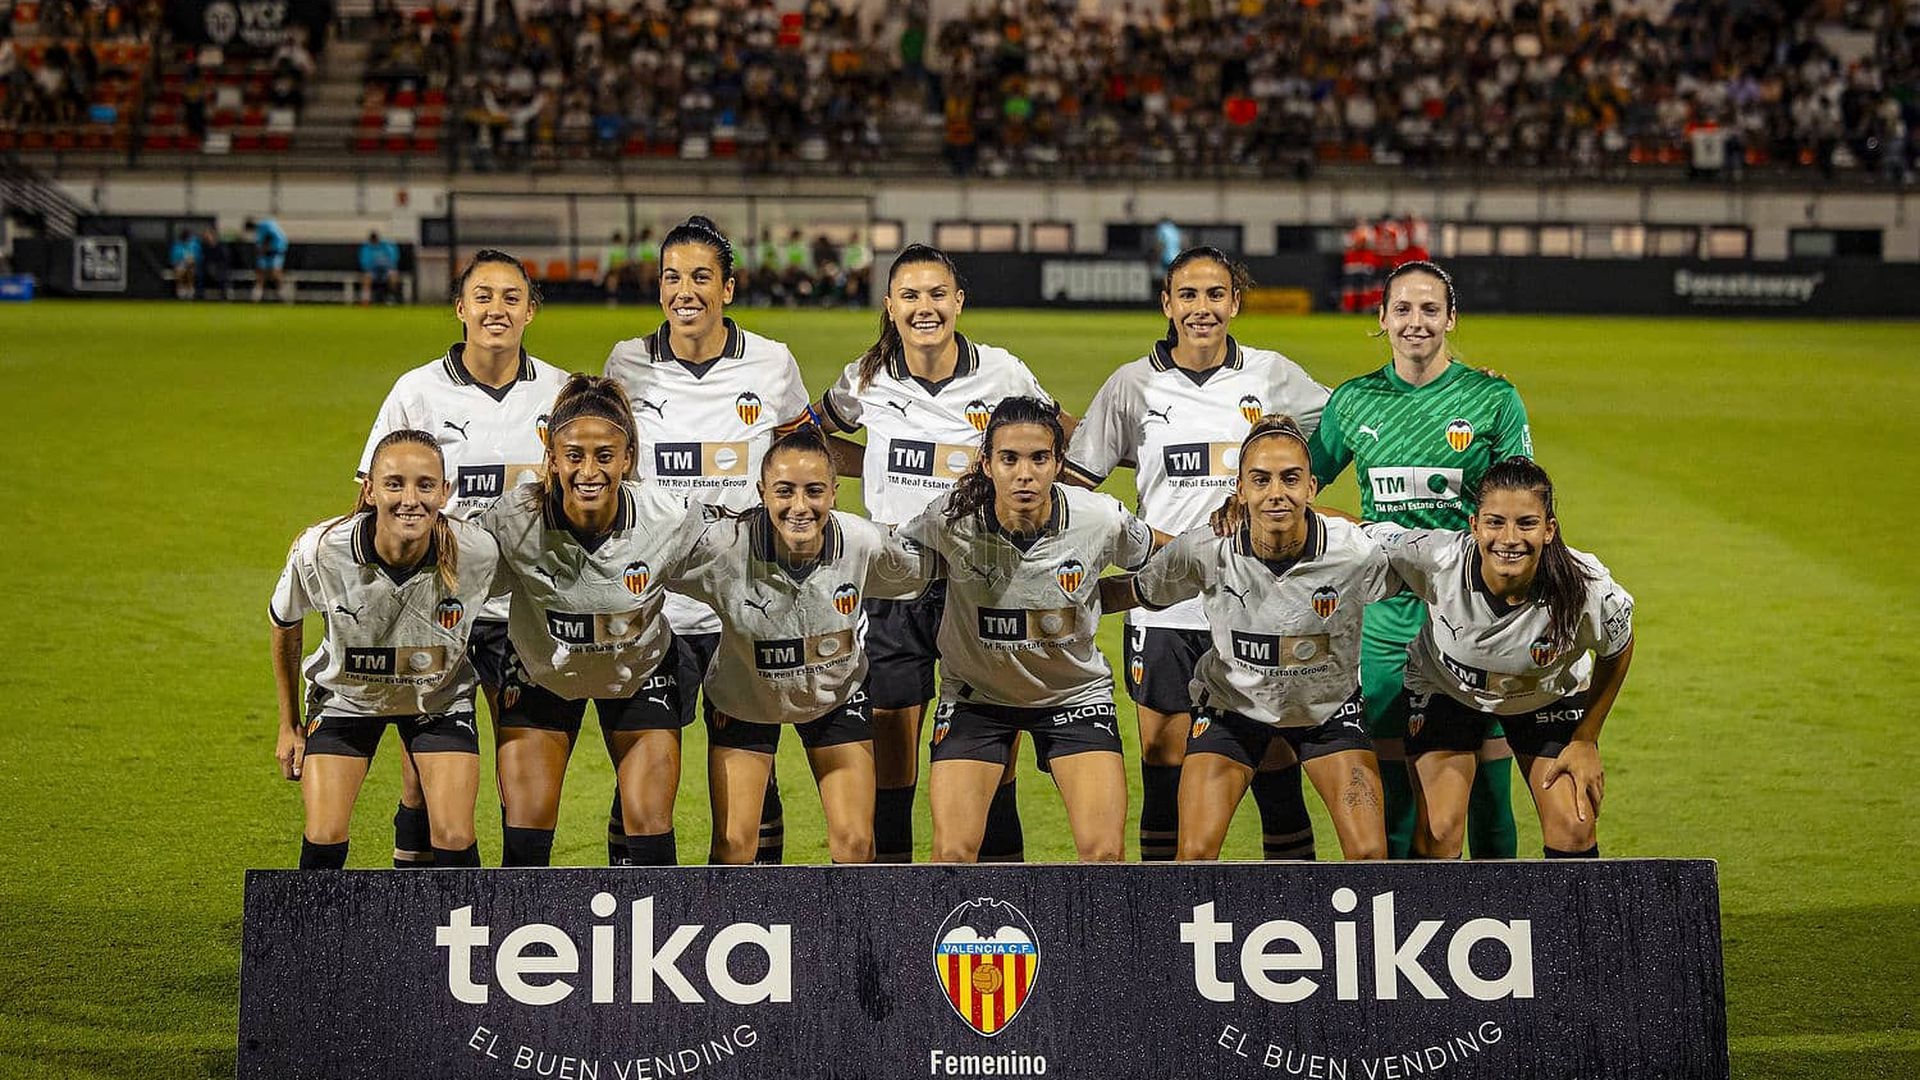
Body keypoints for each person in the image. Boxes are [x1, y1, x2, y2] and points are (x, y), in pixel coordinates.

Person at [1065, 247, 1329, 862]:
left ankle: (1293, 910)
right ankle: (1162, 918)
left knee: (1274, 754)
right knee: (1163, 758)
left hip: (1259, 604)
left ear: (1235, 303)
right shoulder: (1134, 384)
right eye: (1188, 295)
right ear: (1168, 304)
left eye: (1215, 295)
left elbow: (1344, 428)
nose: (1202, 308)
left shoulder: (1272, 376)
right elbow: (1078, 481)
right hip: (1165, 606)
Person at [808, 243, 1063, 864]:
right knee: (894, 758)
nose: (926, 308)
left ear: (958, 301)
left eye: (937, 294)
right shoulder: (864, 378)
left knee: (991, 762)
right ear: (891, 306)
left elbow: (1051, 441)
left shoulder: (1003, 372)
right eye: (911, 296)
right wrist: (863, 467)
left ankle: (1007, 904)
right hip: (894, 585)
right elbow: (810, 435)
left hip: (981, 583)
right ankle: (897, 910)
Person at [1307, 259, 1532, 859]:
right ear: (1381, 319)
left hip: (1470, 612)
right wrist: (1343, 526)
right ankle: (1399, 917)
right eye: (1402, 309)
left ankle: (1496, 912)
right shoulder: (1353, 401)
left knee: (1486, 773)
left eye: (1430, 309)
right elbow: (1303, 485)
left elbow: (1524, 496)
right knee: (1390, 767)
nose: (1416, 321)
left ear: (1451, 318)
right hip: (1383, 614)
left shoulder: (1492, 398)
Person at [604, 214, 810, 864]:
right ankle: (633, 919)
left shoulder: (773, 362)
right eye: (671, 277)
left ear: (728, 286)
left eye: (700, 277)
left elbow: (804, 456)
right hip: (649, 608)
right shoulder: (626, 363)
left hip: (741, 608)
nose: (684, 290)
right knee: (640, 785)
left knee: (751, 785)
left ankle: (757, 918)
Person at [359, 248, 564, 867]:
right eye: (483, 296)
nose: (496, 309)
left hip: (523, 612)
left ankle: (518, 926)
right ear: (460, 308)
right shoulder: (416, 391)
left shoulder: (559, 393)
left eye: (510, 297)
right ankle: (425, 922)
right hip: (434, 607)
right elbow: (373, 493)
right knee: (423, 779)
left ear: (531, 309)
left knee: (524, 783)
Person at [898, 397, 1165, 863]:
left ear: (1058, 463)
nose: (1025, 474)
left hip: (1074, 698)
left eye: (1039, 458)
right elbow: (893, 557)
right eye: (1009, 459)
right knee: (953, 855)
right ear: (986, 464)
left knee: (1104, 856)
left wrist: (1230, 546)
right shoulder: (950, 519)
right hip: (976, 700)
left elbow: (1160, 557)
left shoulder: (1098, 518)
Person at [1117, 415, 1391, 860]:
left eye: (1290, 479)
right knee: (1195, 856)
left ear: (1312, 488)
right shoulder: (1207, 548)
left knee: (1369, 857)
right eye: (1261, 481)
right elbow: (1134, 591)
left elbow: (1436, 569)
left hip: (1327, 710)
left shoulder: (1354, 549)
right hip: (1232, 710)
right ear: (1240, 490)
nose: (1276, 493)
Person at [664, 425, 929, 863]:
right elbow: (650, 560)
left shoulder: (862, 541)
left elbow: (933, 564)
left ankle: (852, 931)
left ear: (834, 492)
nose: (800, 507)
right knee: (733, 846)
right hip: (744, 698)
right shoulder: (724, 547)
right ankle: (738, 929)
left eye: (814, 491)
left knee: (856, 845)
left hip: (835, 695)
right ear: (761, 492)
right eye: (784, 491)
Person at [482, 374, 700, 867]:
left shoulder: (668, 517)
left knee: (648, 821)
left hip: (640, 672)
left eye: (605, 456)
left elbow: (735, 560)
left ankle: (651, 936)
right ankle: (526, 935)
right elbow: (454, 571)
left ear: (627, 458)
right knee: (527, 821)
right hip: (543, 674)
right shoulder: (513, 518)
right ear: (552, 456)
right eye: (574, 455)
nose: (589, 471)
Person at [1370, 457, 1634, 859]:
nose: (1509, 538)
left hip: (1546, 698)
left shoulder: (1588, 587)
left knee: (1574, 826)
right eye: (1495, 522)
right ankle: (1440, 920)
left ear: (1549, 530)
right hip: (1447, 690)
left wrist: (1586, 740)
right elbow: (1356, 532)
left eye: (1526, 523)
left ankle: (1571, 923)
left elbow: (1618, 648)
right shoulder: (1436, 557)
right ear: (1474, 526)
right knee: (1440, 830)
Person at [270, 429, 500, 869]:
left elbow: (511, 619)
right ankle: (317, 936)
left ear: (445, 492)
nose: (410, 499)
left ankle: (461, 936)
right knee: (324, 832)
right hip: (347, 702)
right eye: (395, 484)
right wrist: (288, 724)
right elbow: (285, 621)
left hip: (438, 701)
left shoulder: (477, 552)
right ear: (370, 490)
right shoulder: (320, 551)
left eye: (425, 485)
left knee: (454, 835)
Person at [245, 215, 289, 302]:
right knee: (260, 270)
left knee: (275, 271)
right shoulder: (259, 230)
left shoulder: (265, 225)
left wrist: (264, 248)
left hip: (276, 250)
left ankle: (282, 293)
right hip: (267, 252)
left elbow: (270, 236)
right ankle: (257, 294)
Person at [357, 231, 401, 306]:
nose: (374, 242)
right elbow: (364, 262)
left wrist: (388, 266)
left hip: (386, 270)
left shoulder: (386, 246)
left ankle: (392, 298)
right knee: (367, 277)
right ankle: (365, 300)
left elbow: (393, 258)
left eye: (375, 240)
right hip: (373, 271)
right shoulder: (366, 248)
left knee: (393, 275)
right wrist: (371, 267)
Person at [168, 228, 200, 300]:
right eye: (188, 237)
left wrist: (191, 261)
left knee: (190, 269)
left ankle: (190, 290)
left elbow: (197, 257)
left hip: (192, 266)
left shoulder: (194, 245)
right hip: (180, 266)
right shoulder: (177, 246)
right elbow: (173, 259)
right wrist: (182, 262)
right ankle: (181, 289)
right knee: (180, 269)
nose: (189, 239)